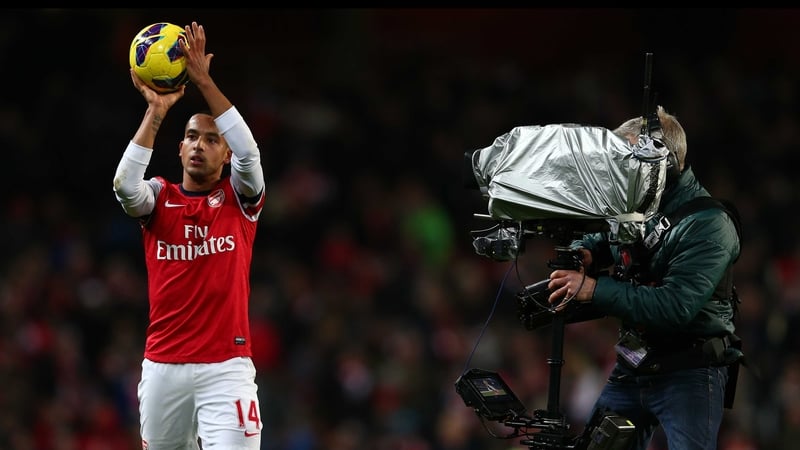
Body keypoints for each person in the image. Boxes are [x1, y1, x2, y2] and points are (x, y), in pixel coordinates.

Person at [546, 106, 742, 450]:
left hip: (690, 371)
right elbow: (606, 238)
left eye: (628, 161)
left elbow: (674, 306)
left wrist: (593, 289)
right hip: (635, 364)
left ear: (663, 163)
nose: (619, 170)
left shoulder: (710, 225)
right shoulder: (638, 204)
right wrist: (585, 251)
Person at [113, 21, 265, 449]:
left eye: (212, 140)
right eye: (192, 137)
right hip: (163, 366)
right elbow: (124, 186)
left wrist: (203, 81)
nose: (199, 145)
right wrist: (157, 111)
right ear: (180, 148)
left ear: (226, 154)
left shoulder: (241, 200)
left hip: (226, 367)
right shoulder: (159, 198)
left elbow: (250, 153)